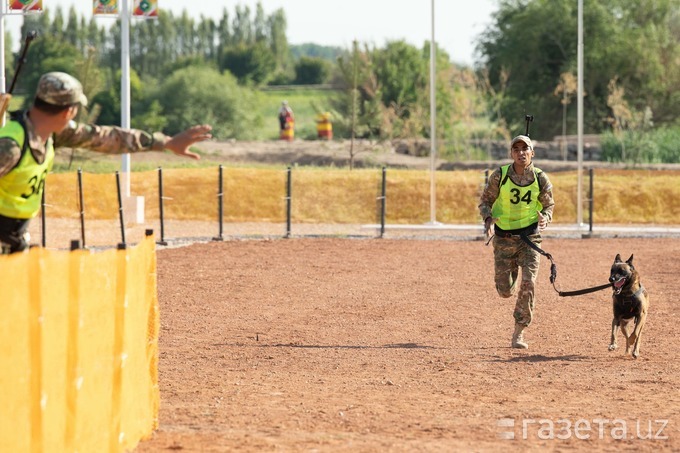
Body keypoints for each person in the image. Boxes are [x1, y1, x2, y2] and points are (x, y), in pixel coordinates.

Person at [0, 71, 212, 254]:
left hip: (15, 238)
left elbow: (107, 137)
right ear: (69, 111)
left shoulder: (52, 134)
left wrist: (166, 142)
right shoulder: (10, 146)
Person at [478, 135, 555, 349]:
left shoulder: (540, 177)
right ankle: (507, 286)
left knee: (529, 283)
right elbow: (485, 201)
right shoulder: (500, 175)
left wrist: (545, 218)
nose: (521, 152)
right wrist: (489, 219)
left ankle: (518, 333)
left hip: (529, 240)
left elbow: (549, 205)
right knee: (504, 291)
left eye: (525, 149)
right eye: (516, 149)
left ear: (532, 153)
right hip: (504, 240)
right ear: (511, 153)